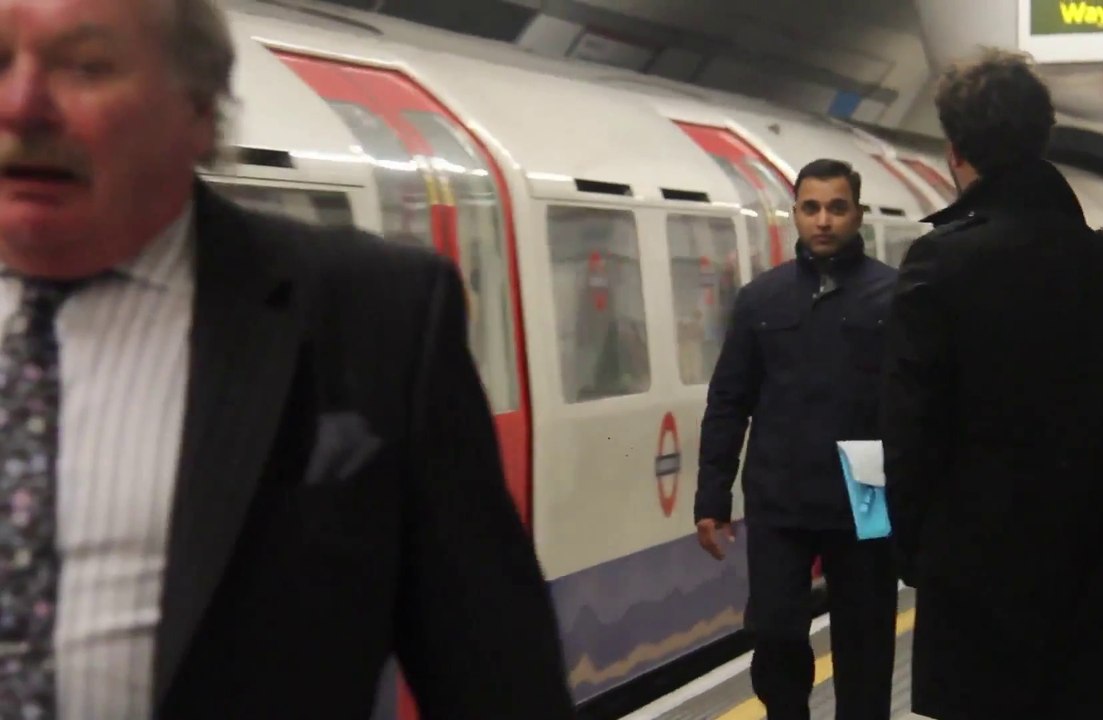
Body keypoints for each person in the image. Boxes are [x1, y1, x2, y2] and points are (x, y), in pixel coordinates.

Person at [0, 1, 575, 718]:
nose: (21, 108)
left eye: (86, 67)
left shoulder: (373, 319)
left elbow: (496, 680)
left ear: (200, 109)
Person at [879, 48, 1103, 719]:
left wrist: (918, 555)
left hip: (979, 578)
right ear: (1044, 135)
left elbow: (909, 428)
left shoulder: (940, 264)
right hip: (1102, 569)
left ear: (956, 152)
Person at [695, 158, 899, 720]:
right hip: (780, 487)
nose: (824, 220)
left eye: (837, 207)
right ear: (795, 215)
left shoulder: (893, 295)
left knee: (865, 640)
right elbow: (729, 400)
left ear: (857, 213)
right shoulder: (762, 299)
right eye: (812, 208)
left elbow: (912, 405)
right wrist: (712, 497)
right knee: (776, 629)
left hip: (864, 481)